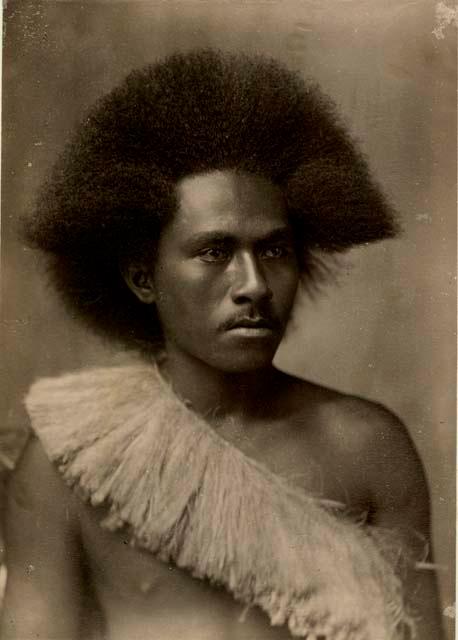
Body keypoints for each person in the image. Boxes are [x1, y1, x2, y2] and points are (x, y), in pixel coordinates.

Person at [0, 49, 443, 640]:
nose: (254, 285)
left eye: (273, 250)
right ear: (143, 279)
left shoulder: (368, 448)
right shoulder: (67, 464)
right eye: (215, 252)